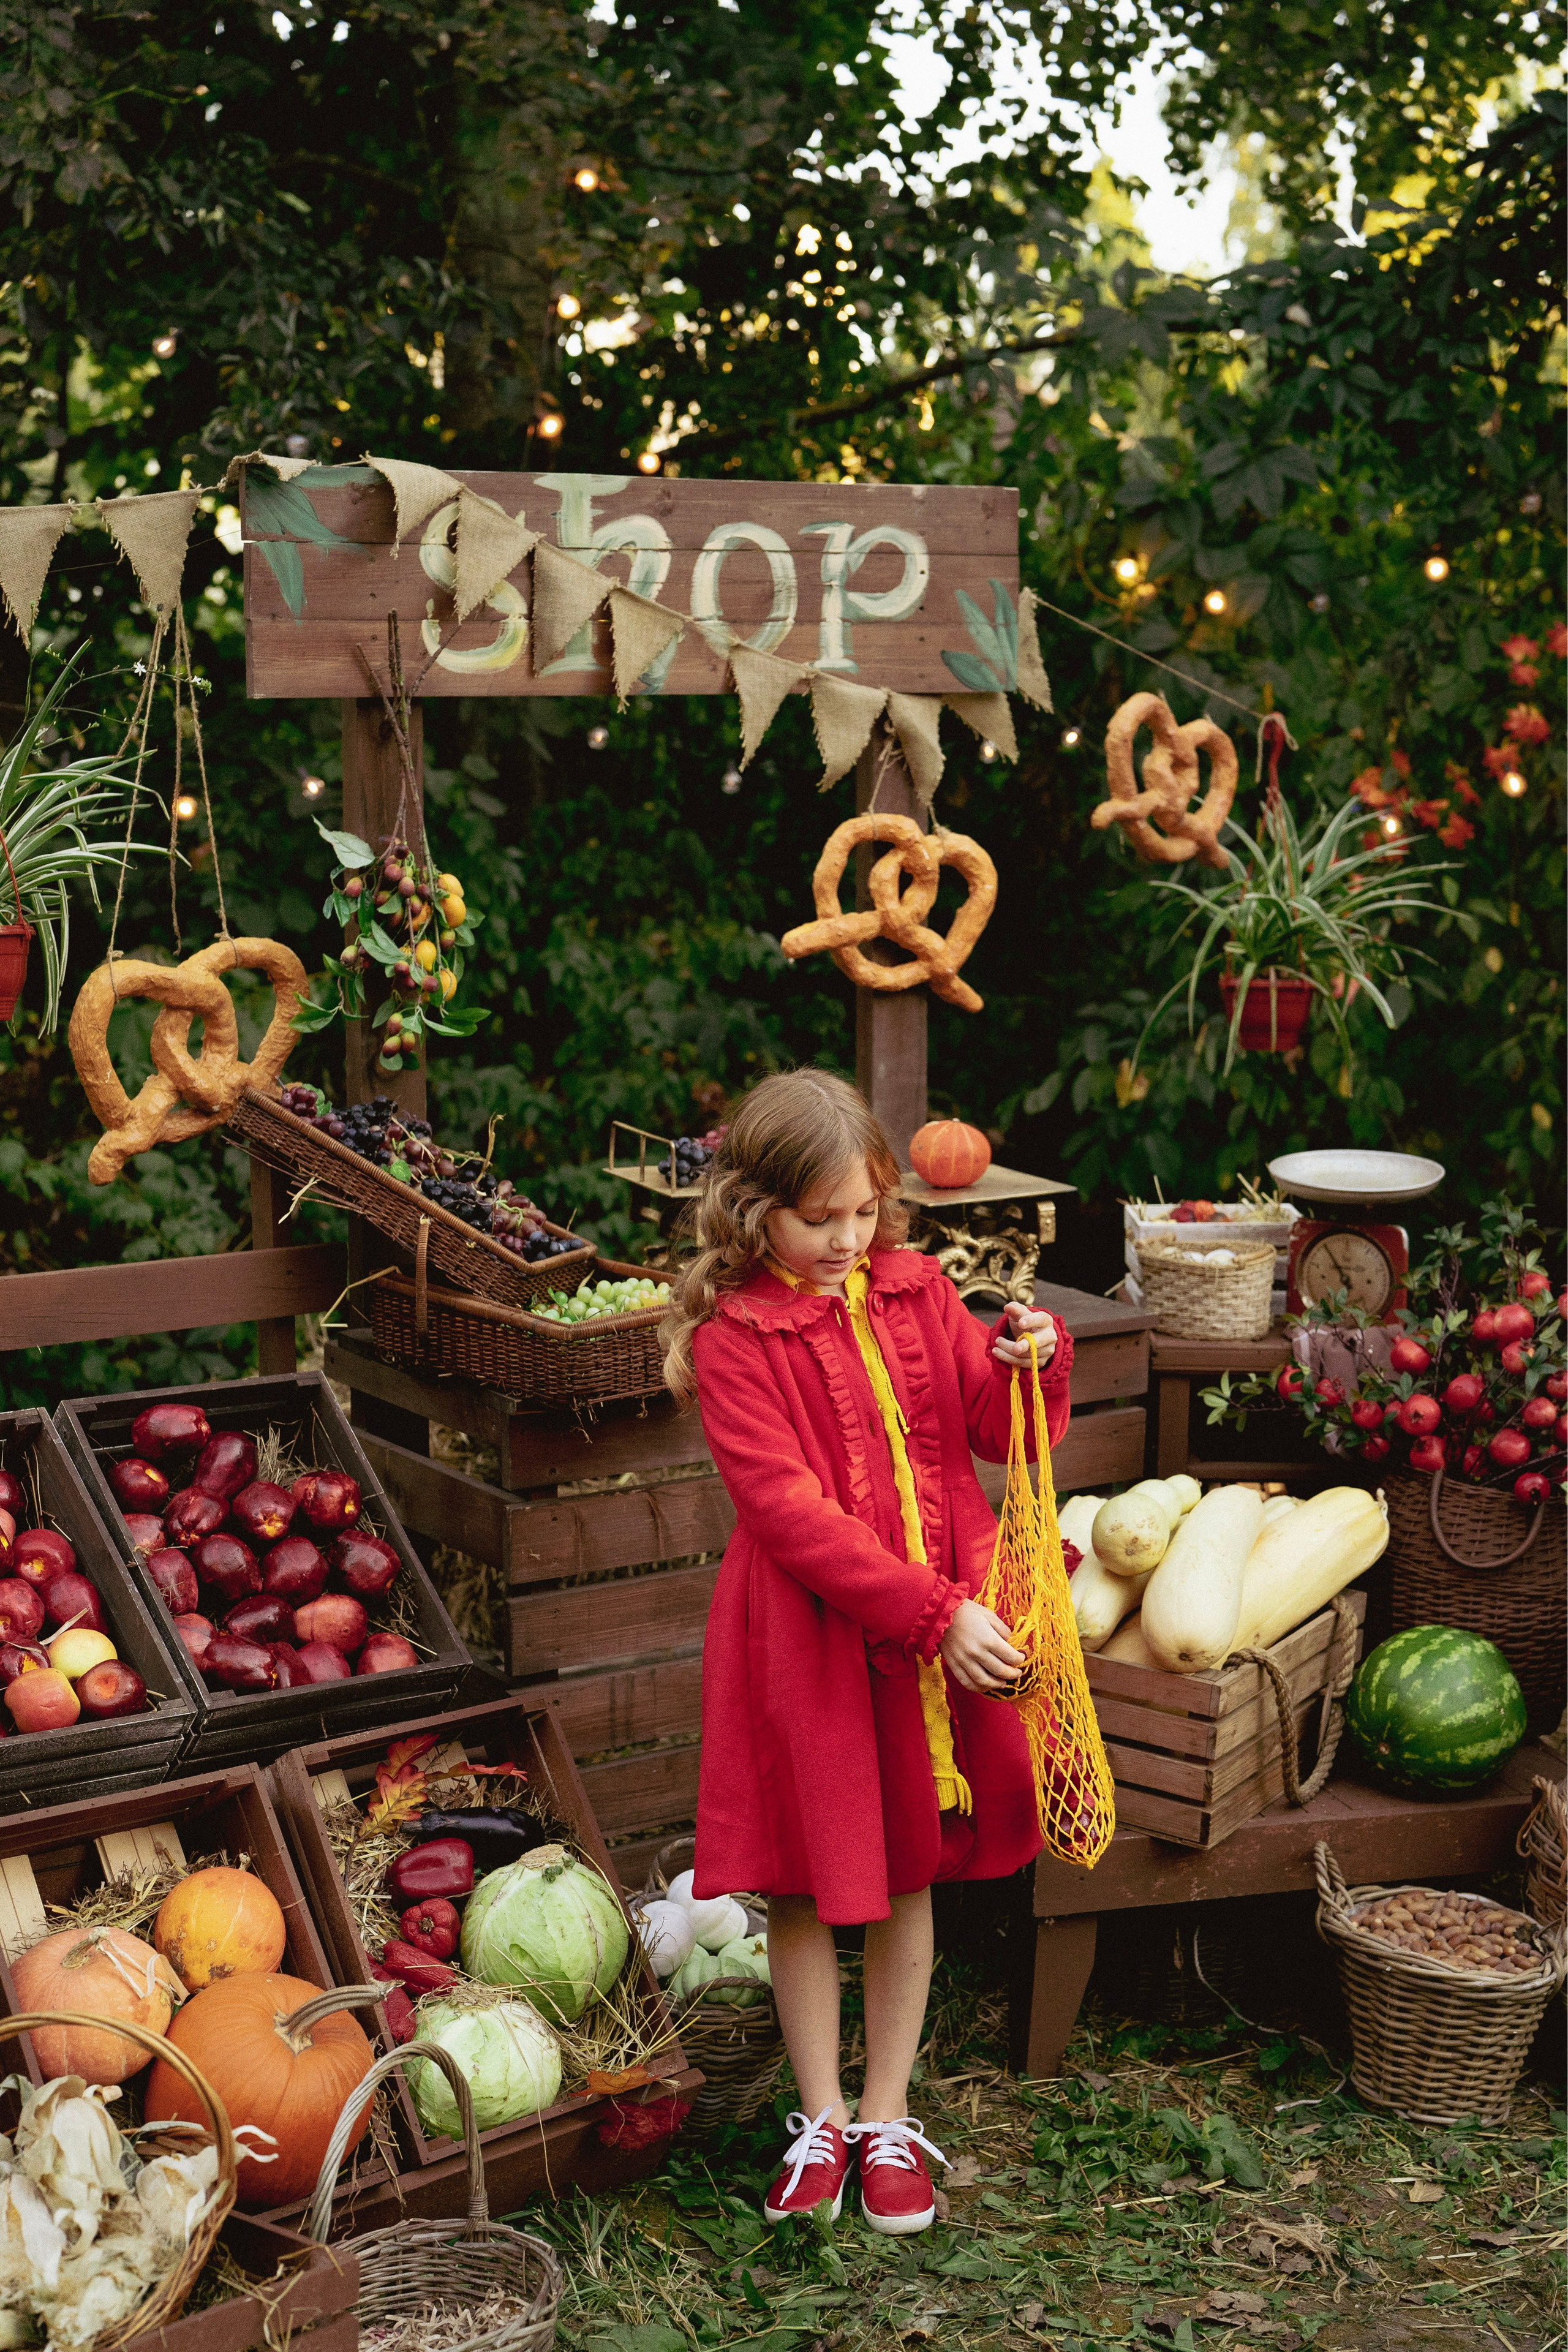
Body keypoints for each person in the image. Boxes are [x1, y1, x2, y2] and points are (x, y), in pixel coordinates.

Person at [662, 1068, 1072, 2236]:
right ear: (755, 1211)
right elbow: (791, 1516)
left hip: (934, 1621)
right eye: (819, 1218)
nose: (847, 1240)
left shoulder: (918, 1290)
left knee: (903, 1866)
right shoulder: (738, 1339)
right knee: (806, 1873)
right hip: (811, 1635)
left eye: (863, 1214)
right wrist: (935, 1617)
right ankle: (822, 2117)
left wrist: (1029, 1360)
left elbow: (995, 1434)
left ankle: (888, 2117)